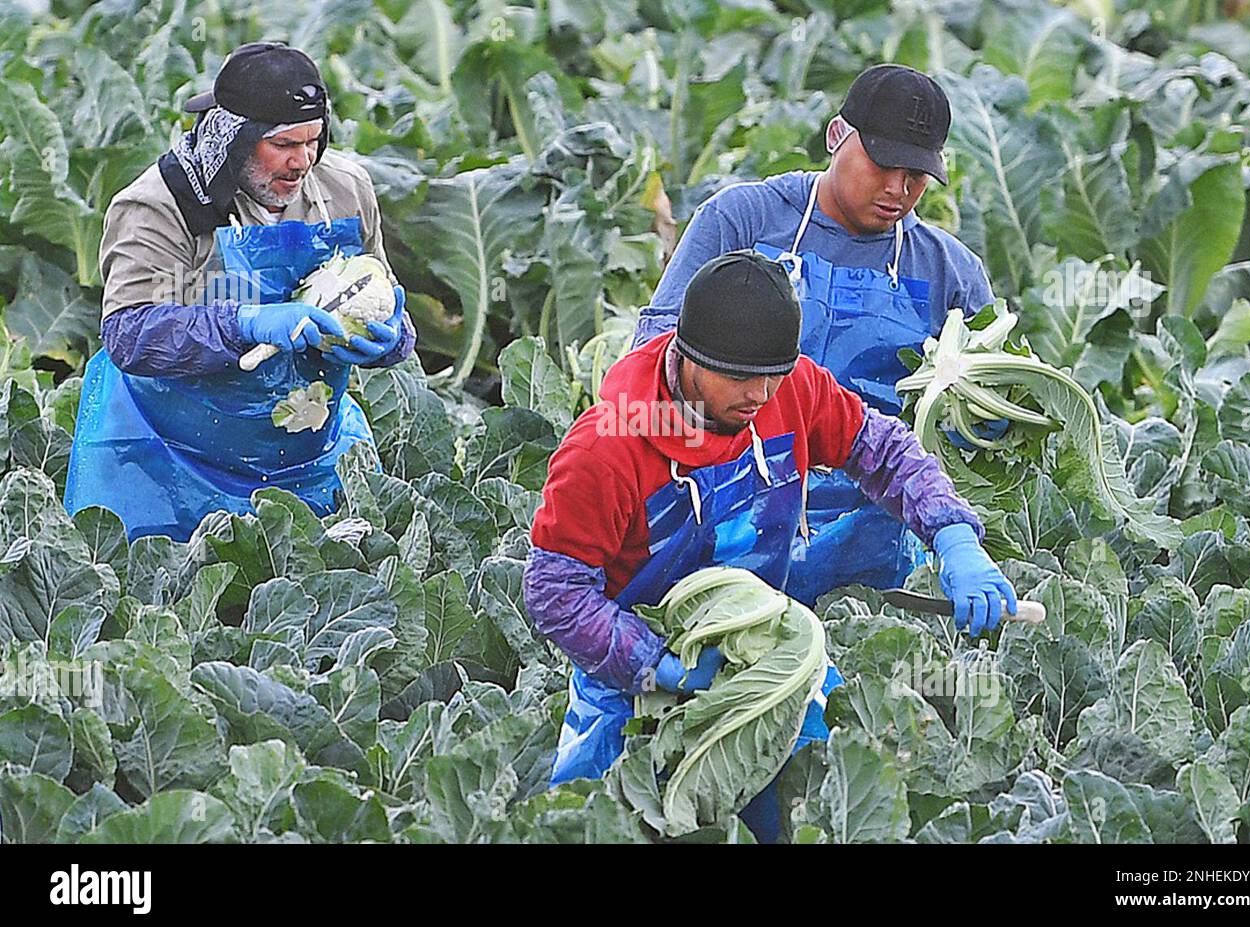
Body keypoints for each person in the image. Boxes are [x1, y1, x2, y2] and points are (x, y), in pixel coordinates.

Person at [524, 250, 1016, 842]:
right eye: (739, 378)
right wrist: (656, 666)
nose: (760, 395)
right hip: (631, 684)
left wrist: (952, 533)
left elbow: (881, 450)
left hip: (768, 657)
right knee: (600, 826)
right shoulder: (604, 448)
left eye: (773, 375)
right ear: (686, 357)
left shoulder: (792, 388)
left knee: (823, 801)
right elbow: (554, 590)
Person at [631, 63, 1001, 606]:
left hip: (877, 551)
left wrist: (956, 533)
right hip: (726, 531)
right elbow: (654, 355)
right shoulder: (742, 220)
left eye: (917, 175)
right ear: (836, 136)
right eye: (883, 164)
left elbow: (985, 427)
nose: (898, 189)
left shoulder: (953, 273)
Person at [64, 41, 416, 541]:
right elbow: (129, 333)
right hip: (167, 461)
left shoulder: (346, 190)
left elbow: (380, 286)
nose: (303, 162)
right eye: (284, 145)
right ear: (236, 139)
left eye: (313, 141)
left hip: (306, 454)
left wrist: (392, 338)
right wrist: (242, 325)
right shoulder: (161, 205)